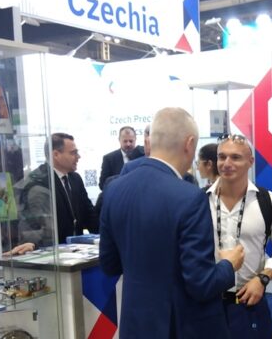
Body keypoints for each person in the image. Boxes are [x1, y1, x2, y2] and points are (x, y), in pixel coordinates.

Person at [100, 108, 244, 338]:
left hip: (134, 325)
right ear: (189, 143)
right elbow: (201, 283)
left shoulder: (114, 190)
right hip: (181, 327)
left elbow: (109, 265)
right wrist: (229, 265)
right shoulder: (190, 197)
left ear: (151, 140)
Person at [207, 134, 272, 339]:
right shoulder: (200, 201)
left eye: (235, 157)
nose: (227, 163)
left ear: (250, 161)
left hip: (249, 303)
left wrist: (263, 279)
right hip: (207, 303)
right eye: (222, 157)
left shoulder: (269, 202)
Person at [9, 133, 98, 254]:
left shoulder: (75, 179)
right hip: (51, 253)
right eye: (73, 153)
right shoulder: (39, 183)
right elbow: (36, 227)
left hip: (77, 253)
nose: (78, 157)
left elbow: (89, 215)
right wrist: (33, 244)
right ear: (56, 154)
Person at [98, 126, 143, 190]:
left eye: (131, 141)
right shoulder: (109, 159)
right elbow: (102, 184)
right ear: (119, 140)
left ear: (135, 139)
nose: (128, 144)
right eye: (125, 141)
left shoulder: (142, 156)